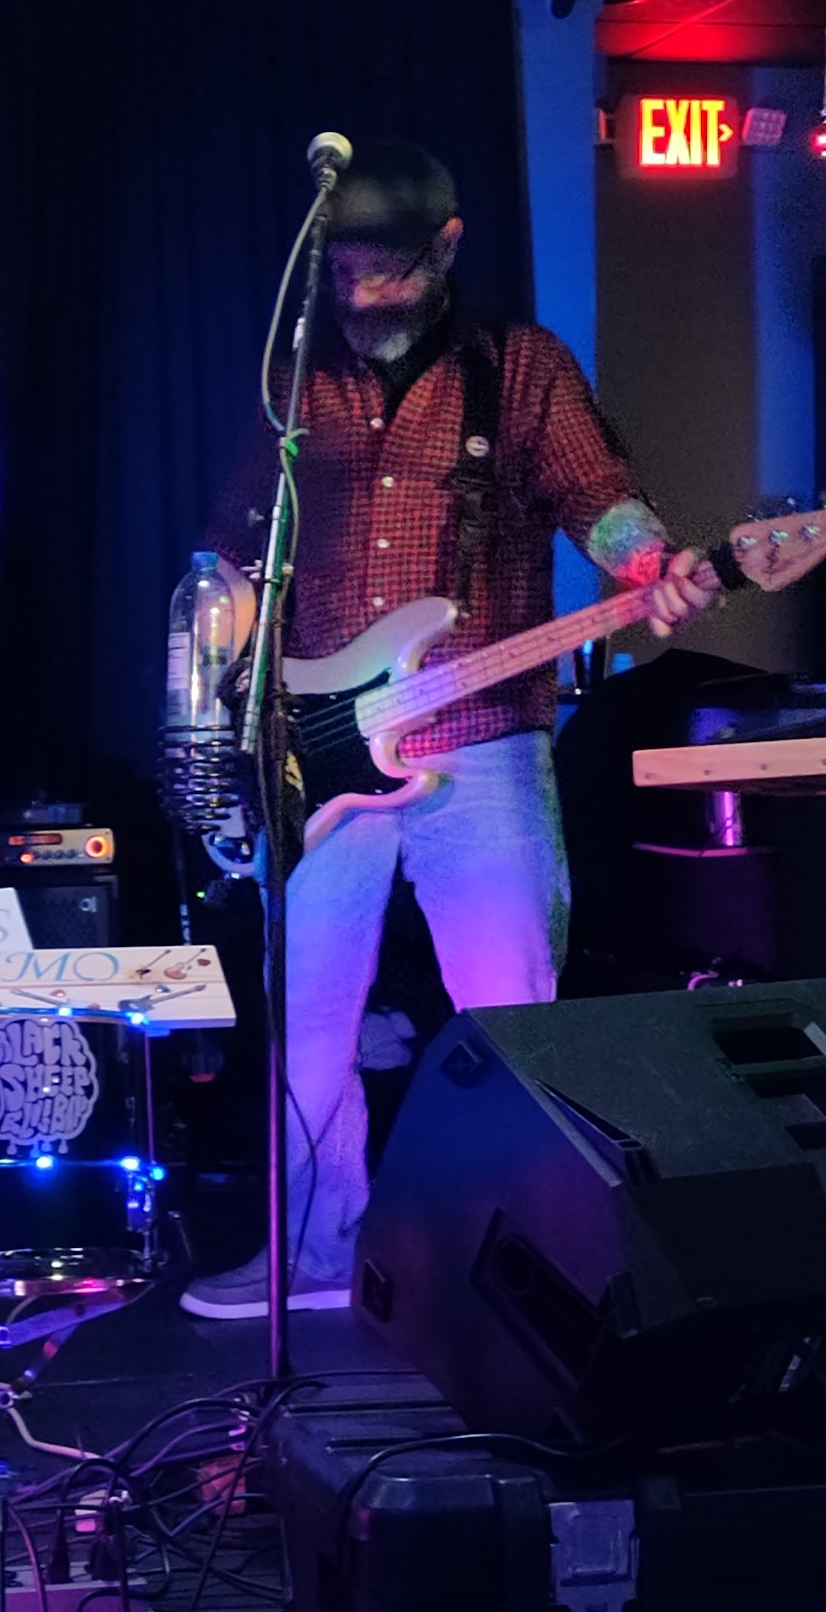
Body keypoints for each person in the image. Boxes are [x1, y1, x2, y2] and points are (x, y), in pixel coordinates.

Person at [180, 138, 715, 1320]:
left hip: (481, 738)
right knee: (307, 1020)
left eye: (388, 271)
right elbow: (232, 549)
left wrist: (652, 565)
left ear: (448, 248)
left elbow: (598, 496)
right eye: (346, 273)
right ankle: (317, 1249)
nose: (364, 294)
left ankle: (522, 1268)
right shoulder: (294, 379)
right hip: (317, 751)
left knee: (511, 1017)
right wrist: (214, 675)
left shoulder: (519, 370)